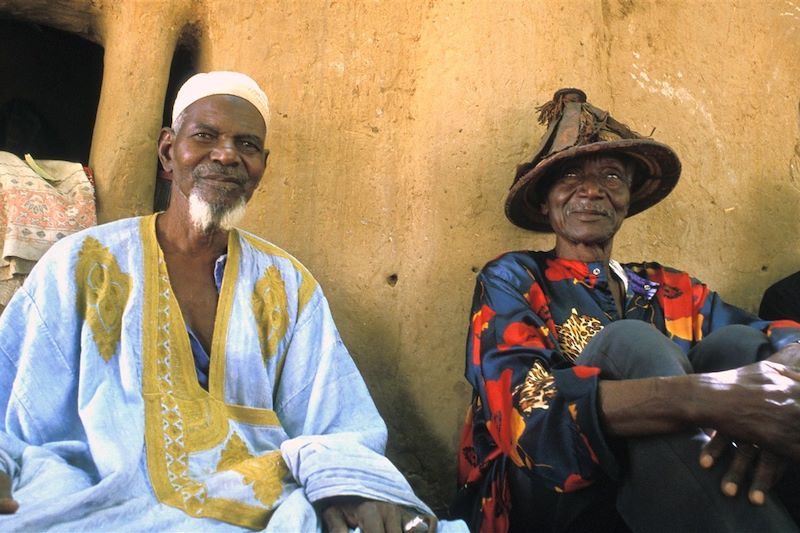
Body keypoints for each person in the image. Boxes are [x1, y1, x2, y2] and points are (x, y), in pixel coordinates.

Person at [0, 71, 457, 533]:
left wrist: (349, 483)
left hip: (261, 506)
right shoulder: (83, 264)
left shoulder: (286, 284)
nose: (226, 155)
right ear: (167, 152)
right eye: (204, 136)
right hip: (100, 496)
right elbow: (9, 390)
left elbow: (337, 419)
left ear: (262, 165)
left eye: (247, 145)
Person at [454, 88, 800, 533]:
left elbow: (776, 335)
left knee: (739, 346)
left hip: (665, 489)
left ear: (628, 200)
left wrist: (779, 374)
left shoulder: (670, 288)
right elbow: (528, 420)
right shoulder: (515, 277)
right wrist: (710, 399)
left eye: (613, 177)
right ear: (545, 201)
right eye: (570, 175)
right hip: (549, 497)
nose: (592, 190)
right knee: (629, 342)